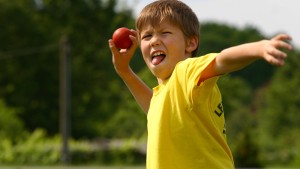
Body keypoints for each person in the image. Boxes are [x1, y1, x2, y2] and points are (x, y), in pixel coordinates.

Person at [108, 0, 293, 168]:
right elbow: (154, 108)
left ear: (191, 43)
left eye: (165, 33)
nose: (155, 40)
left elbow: (223, 60)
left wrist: (258, 48)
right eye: (147, 37)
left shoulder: (186, 71)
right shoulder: (165, 94)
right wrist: (125, 71)